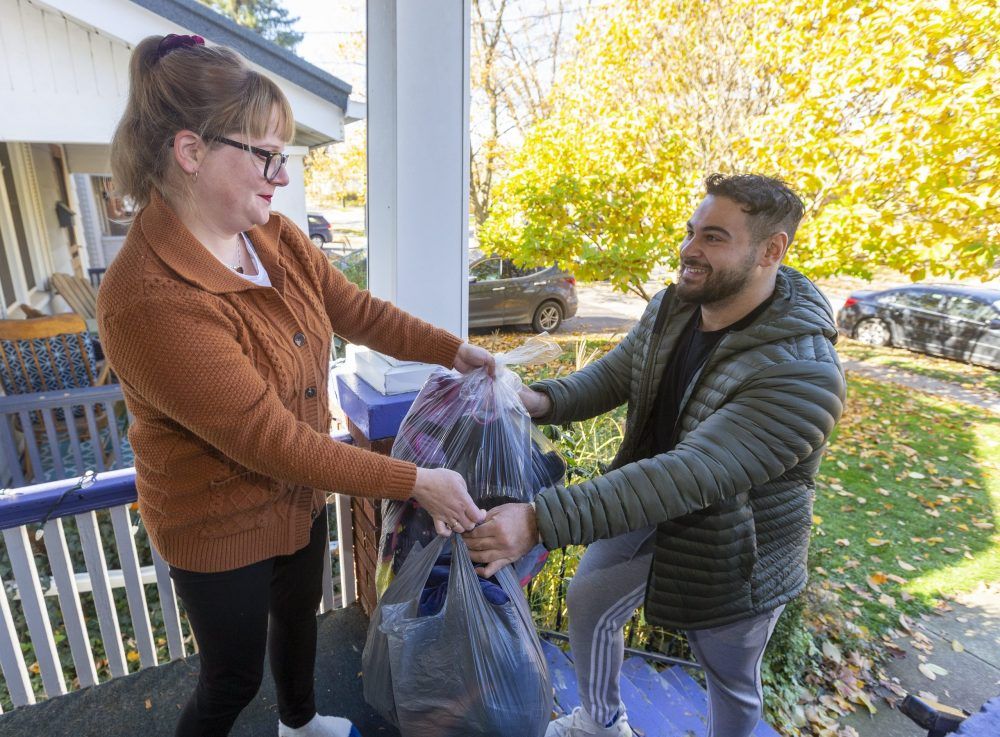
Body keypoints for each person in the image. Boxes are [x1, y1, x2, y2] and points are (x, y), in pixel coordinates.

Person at [97, 34, 490, 737]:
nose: (279, 175)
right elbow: (268, 439)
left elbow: (358, 312)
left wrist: (453, 350)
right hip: (215, 521)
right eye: (265, 154)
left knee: (300, 620)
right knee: (232, 677)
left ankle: (299, 722)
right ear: (191, 152)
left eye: (284, 157)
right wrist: (414, 480)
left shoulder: (273, 238)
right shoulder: (148, 300)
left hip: (299, 497)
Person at [465, 174, 847, 737]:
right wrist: (536, 400)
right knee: (592, 598)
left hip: (735, 547)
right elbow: (621, 371)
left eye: (714, 238)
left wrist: (541, 520)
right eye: (692, 232)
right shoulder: (676, 306)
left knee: (728, 675)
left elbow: (693, 472)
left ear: (773, 250)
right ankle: (600, 724)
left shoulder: (805, 373)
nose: (690, 250)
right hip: (645, 502)